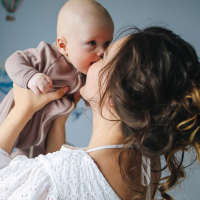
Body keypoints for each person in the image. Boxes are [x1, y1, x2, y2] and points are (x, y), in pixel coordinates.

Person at [0, 26, 200, 200]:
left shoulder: (58, 175)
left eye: (104, 56)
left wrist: (21, 111)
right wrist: (59, 121)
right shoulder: (147, 168)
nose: (92, 59)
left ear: (114, 95)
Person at [0, 0, 114, 158]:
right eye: (92, 43)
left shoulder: (85, 71)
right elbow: (13, 60)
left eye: (107, 43)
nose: (102, 52)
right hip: (10, 121)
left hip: (41, 132)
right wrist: (31, 77)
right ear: (63, 45)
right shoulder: (48, 56)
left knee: (35, 164)